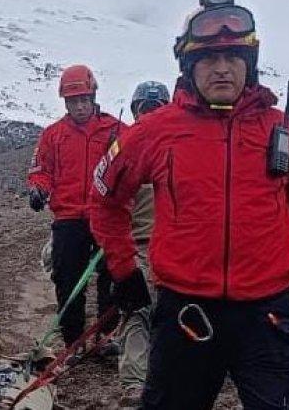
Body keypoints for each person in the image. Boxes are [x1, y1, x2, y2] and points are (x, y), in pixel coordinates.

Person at [90, 0, 289, 410]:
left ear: (249, 64)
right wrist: (124, 273)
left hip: (267, 315)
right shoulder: (153, 132)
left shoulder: (281, 131)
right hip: (185, 311)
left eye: (233, 58)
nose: (221, 69)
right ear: (188, 66)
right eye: (208, 59)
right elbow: (105, 199)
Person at [27, 64, 126, 348]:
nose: (79, 106)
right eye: (73, 101)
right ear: (65, 102)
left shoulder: (116, 130)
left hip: (106, 216)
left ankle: (106, 337)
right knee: (68, 280)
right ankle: (72, 341)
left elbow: (134, 163)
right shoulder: (53, 135)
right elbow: (41, 170)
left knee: (113, 275)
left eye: (84, 99)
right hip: (69, 217)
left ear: (93, 97)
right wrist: (38, 189)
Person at [114, 80, 170, 405]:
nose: (150, 116)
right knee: (137, 312)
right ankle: (134, 381)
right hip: (136, 248)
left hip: (177, 247)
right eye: (145, 110)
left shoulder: (183, 148)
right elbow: (108, 207)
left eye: (156, 109)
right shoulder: (123, 150)